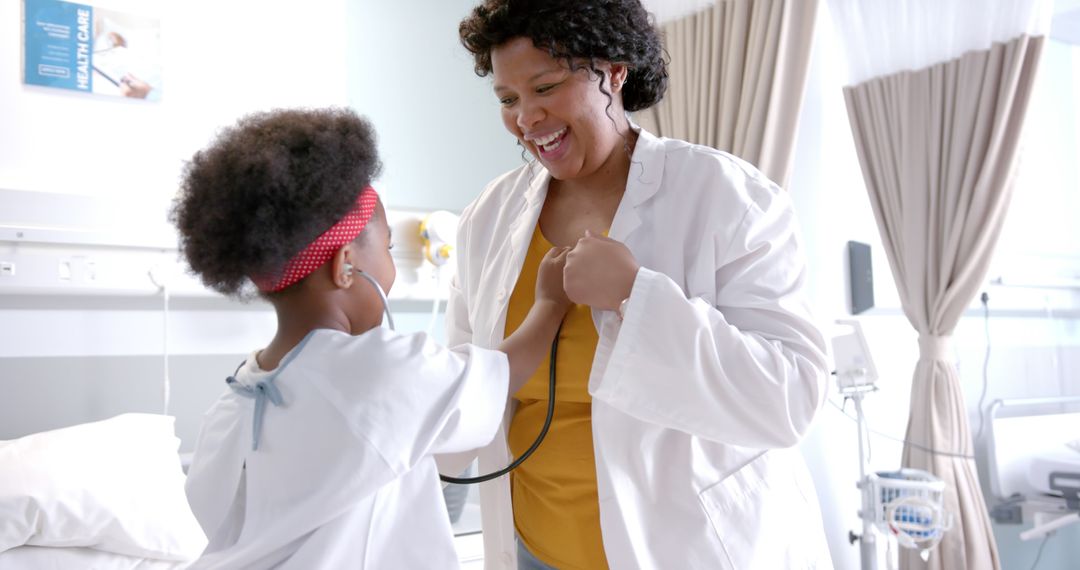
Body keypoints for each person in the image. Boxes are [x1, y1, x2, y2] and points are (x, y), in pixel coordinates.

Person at [438, 1, 834, 568]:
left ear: (614, 71)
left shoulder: (725, 195)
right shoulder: (489, 217)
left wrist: (635, 296)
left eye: (545, 87)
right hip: (533, 547)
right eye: (508, 99)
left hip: (686, 548)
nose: (526, 118)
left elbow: (789, 397)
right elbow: (464, 388)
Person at [172, 108, 571, 569]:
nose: (391, 264)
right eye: (386, 248)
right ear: (345, 265)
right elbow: (502, 375)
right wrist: (550, 304)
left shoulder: (237, 398)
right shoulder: (376, 369)